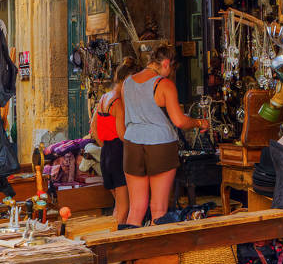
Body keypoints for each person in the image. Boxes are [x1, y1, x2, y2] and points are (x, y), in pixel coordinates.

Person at [121, 45, 210, 228]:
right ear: (166, 63)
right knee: (159, 208)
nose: (169, 74)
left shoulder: (127, 83)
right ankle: (155, 255)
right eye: (170, 70)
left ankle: (132, 254)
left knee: (136, 208)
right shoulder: (164, 85)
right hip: (159, 145)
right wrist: (200, 123)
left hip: (132, 144)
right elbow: (179, 121)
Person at [89, 57, 140, 226]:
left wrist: (106, 146)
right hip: (118, 153)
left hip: (106, 154)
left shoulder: (104, 98)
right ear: (127, 79)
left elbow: (93, 129)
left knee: (118, 206)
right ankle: (116, 243)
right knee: (124, 208)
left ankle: (113, 237)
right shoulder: (118, 102)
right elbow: (122, 134)